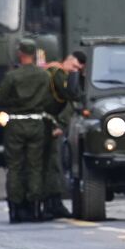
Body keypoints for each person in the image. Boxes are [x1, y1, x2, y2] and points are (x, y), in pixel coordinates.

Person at [0, 40, 59, 222]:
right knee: (35, 166)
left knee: (15, 167)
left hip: (16, 124)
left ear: (20, 53)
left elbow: (1, 98)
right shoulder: (44, 76)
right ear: (35, 53)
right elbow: (51, 100)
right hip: (37, 123)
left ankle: (16, 208)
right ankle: (35, 206)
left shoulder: (12, 76)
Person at [39, 49, 86, 219]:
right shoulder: (57, 73)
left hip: (46, 123)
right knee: (52, 164)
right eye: (74, 66)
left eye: (78, 70)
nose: (74, 70)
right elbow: (73, 98)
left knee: (49, 164)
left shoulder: (52, 72)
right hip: (48, 124)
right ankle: (52, 203)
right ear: (68, 60)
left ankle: (48, 203)